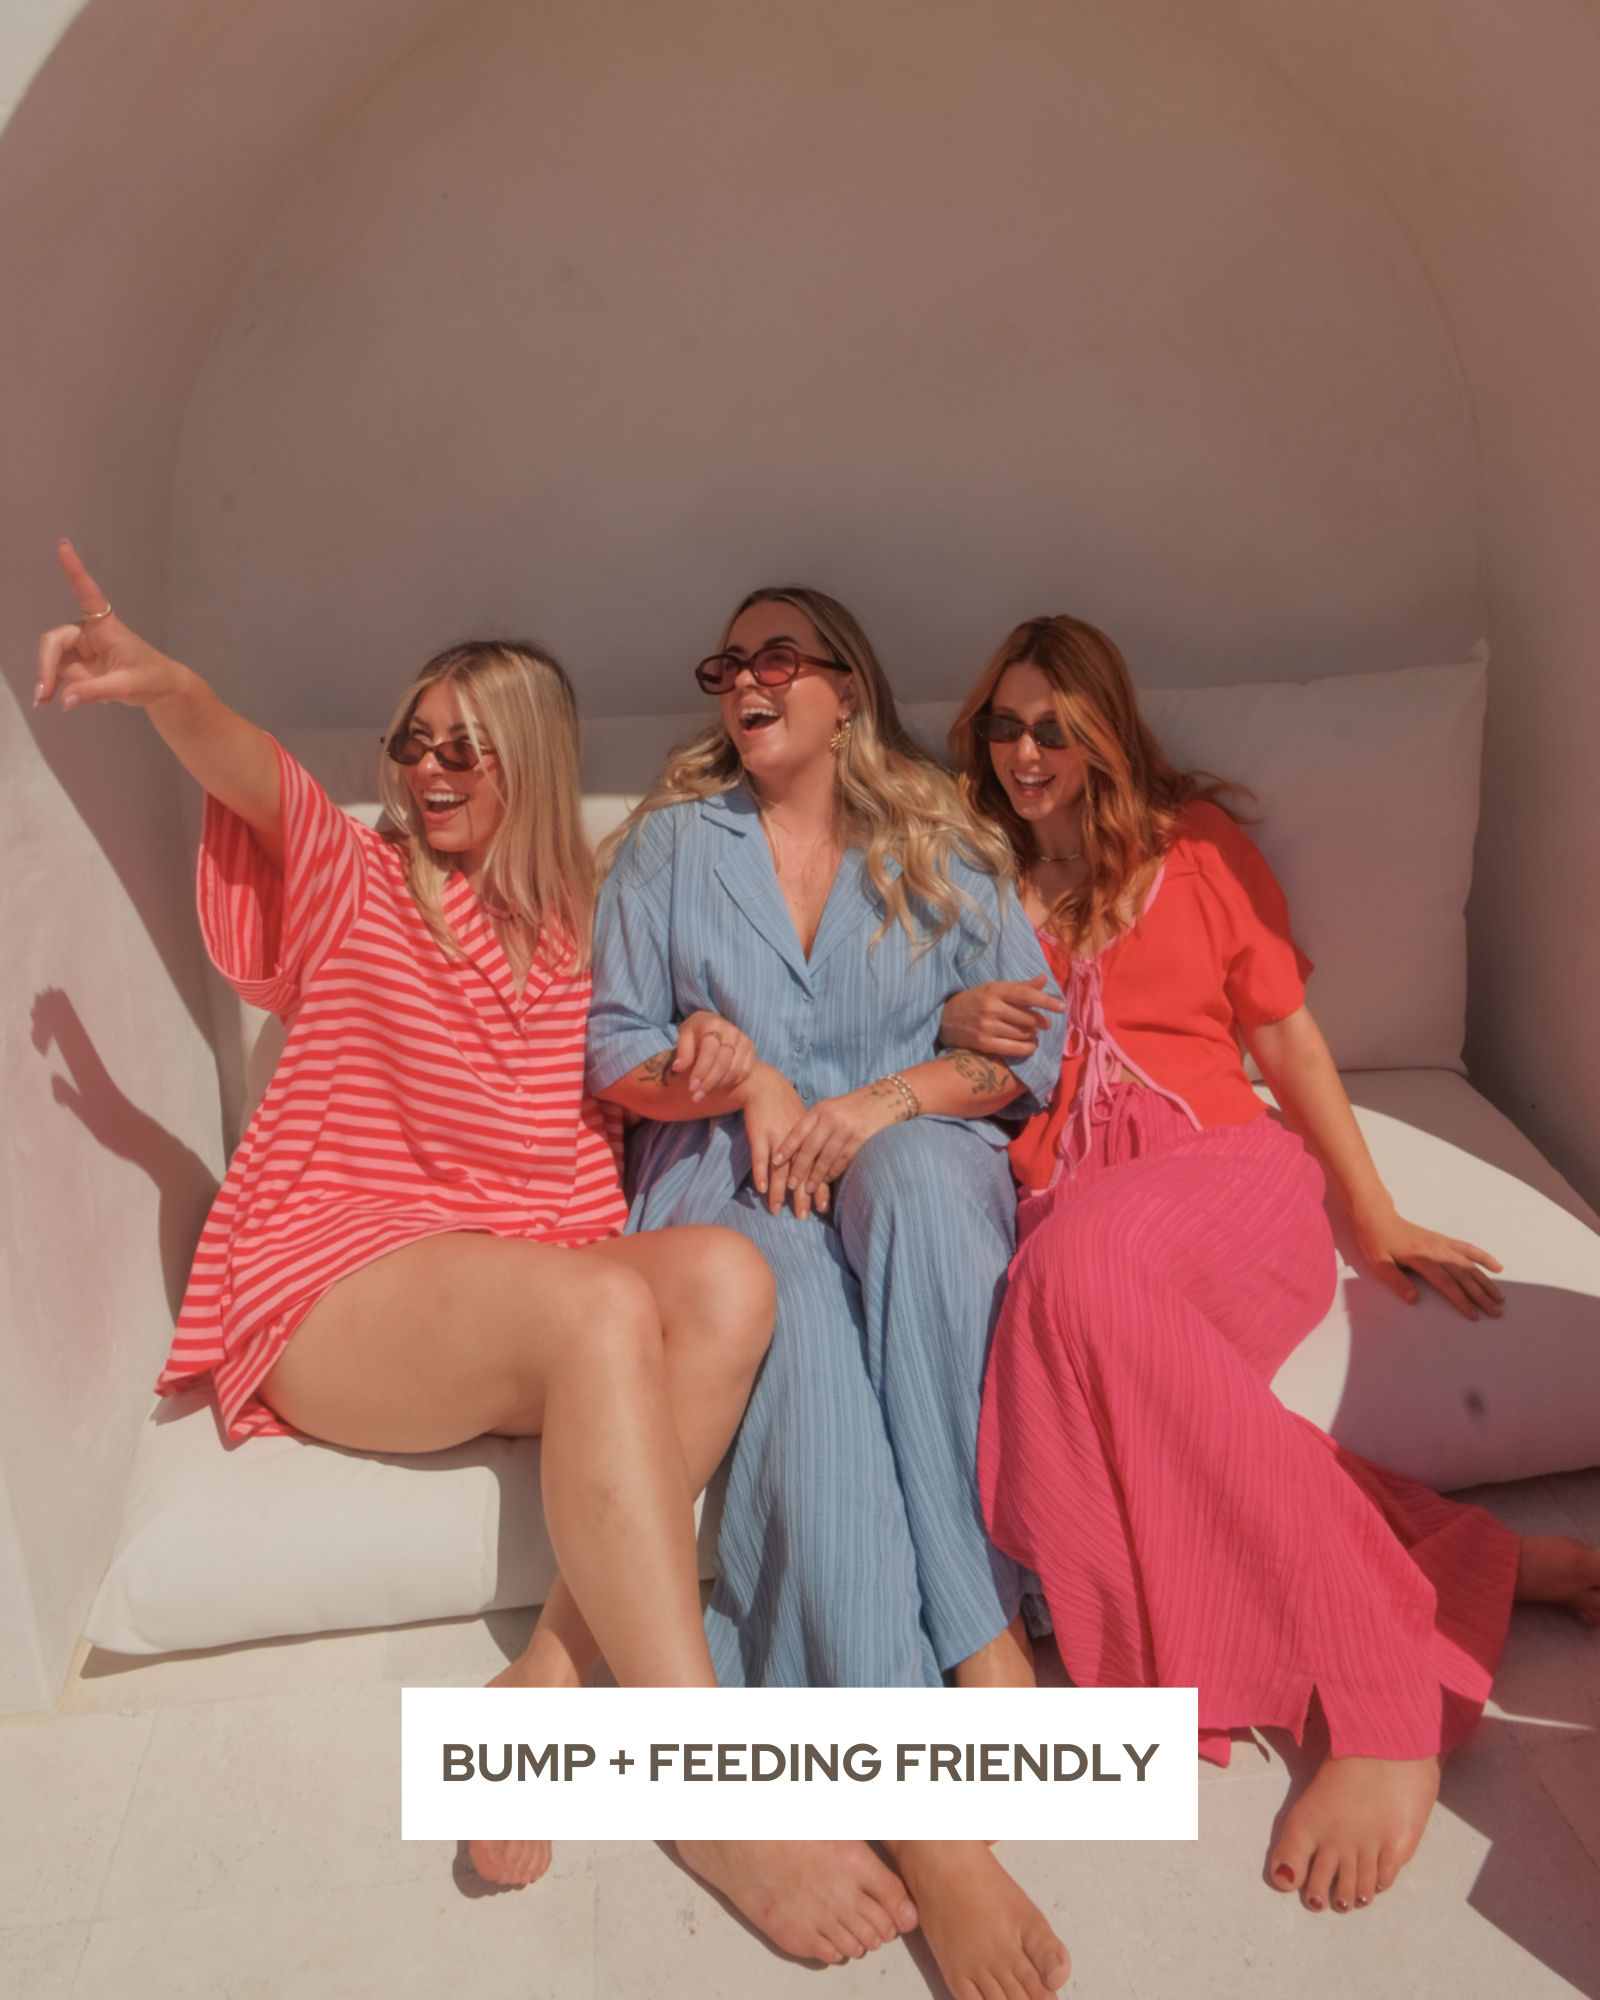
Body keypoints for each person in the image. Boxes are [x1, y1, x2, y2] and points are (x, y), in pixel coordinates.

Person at [35, 540, 775, 1890]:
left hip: (527, 1301)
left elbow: (635, 1076)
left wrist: (707, 1062)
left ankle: (546, 1680)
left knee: (730, 1278)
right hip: (338, 1291)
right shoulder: (356, 881)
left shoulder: (588, 935)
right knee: (600, 1303)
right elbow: (248, 767)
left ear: (530, 765)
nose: (428, 768)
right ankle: (708, 1786)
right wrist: (163, 686)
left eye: (464, 748)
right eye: (411, 741)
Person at [941, 612, 1600, 1920]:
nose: (1026, 752)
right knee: (1101, 1323)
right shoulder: (970, 877)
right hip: (1077, 1205)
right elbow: (912, 1033)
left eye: (1054, 727)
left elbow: (1288, 1040)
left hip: (1222, 1182)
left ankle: (1387, 1702)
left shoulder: (1193, 850)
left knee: (1069, 1280)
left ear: (1103, 732)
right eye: (1005, 727)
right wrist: (955, 1014)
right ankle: (1466, 1569)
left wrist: (1377, 1212)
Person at [587, 587, 1071, 1996]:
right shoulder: (674, 848)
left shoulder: (944, 842)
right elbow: (612, 1049)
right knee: (789, 1273)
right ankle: (927, 1825)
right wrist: (722, 1075)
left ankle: (982, 1633)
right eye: (728, 663)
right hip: (728, 1178)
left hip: (904, 1153)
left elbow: (1025, 1057)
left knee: (918, 1189)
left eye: (777, 655)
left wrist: (880, 1102)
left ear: (846, 686)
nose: (746, 678)